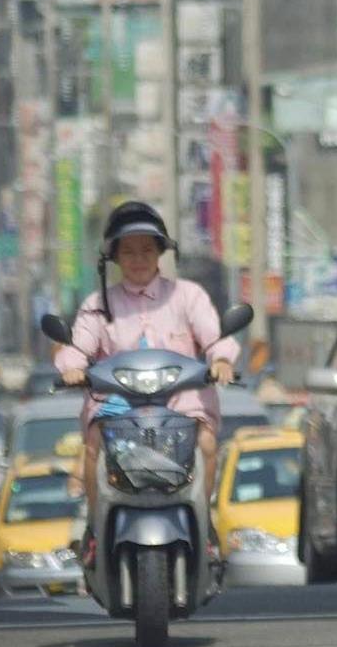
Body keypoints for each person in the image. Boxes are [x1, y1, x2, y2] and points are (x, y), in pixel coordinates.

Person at [54, 201, 238, 554]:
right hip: (117, 408)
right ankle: (95, 527)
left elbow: (215, 338)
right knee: (93, 441)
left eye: (146, 250)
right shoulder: (98, 304)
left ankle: (204, 523)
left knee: (208, 444)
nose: (138, 259)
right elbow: (78, 347)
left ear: (160, 254)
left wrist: (221, 361)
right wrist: (73, 368)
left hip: (183, 406)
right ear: (115, 258)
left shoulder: (188, 296)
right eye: (129, 251)